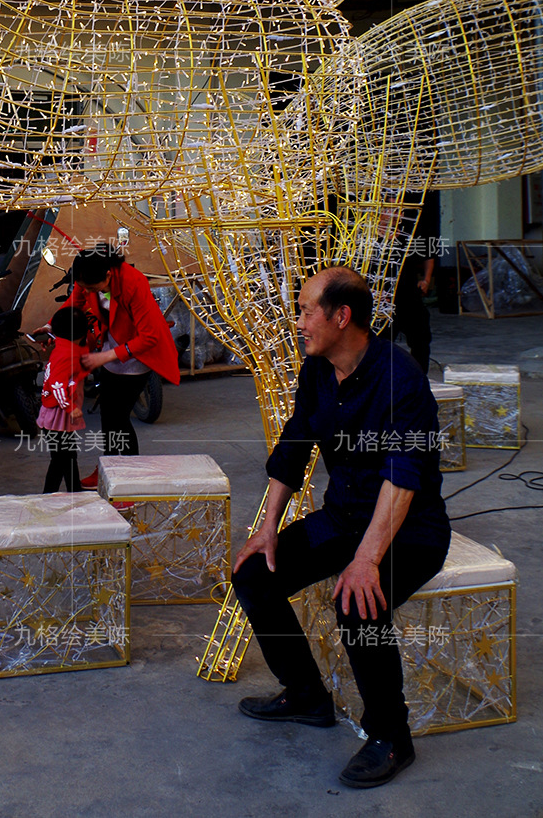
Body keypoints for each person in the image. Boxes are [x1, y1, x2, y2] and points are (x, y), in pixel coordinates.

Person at [231, 266, 450, 791]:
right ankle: (306, 693)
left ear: (341, 315)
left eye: (306, 310)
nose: (299, 321)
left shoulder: (400, 377)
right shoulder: (317, 370)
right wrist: (267, 529)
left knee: (357, 601)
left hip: (409, 531)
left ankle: (391, 736)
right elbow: (293, 448)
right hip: (343, 518)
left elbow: (404, 474)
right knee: (256, 574)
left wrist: (367, 560)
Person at [64, 244, 179, 486]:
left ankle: (129, 476)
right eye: (83, 287)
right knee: (108, 415)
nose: (86, 292)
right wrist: (54, 327)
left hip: (138, 354)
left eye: (91, 289)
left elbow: (149, 337)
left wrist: (104, 357)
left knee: (119, 417)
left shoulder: (133, 283)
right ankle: (108, 466)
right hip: (111, 345)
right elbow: (73, 305)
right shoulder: (87, 274)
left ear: (108, 275)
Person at [379, 191, 440, 373]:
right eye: (391, 210)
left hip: (408, 295)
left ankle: (419, 377)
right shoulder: (370, 240)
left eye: (399, 210)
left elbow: (429, 255)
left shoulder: (409, 237)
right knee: (381, 342)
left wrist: (426, 279)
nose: (395, 214)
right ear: (382, 212)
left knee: (421, 337)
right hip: (382, 300)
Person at [38, 306, 96, 493]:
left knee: (68, 456)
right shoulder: (67, 355)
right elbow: (57, 385)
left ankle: (74, 490)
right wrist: (70, 407)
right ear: (82, 332)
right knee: (60, 459)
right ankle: (48, 495)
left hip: (58, 416)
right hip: (58, 415)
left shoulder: (64, 346)